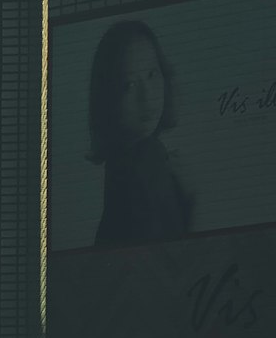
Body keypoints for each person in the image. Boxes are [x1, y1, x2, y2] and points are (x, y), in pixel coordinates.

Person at [84, 15, 201, 246]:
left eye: (151, 74)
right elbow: (173, 263)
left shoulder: (120, 162)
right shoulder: (146, 156)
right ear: (109, 97)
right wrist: (195, 199)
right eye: (130, 85)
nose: (146, 97)